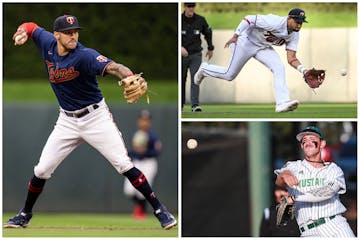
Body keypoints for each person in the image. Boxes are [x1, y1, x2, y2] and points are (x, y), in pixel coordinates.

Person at [5, 14, 176, 230]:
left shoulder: (85, 56)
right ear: (56, 35)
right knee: (42, 169)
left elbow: (115, 67)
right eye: (67, 32)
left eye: (75, 31)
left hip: (95, 118)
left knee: (124, 164)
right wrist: (22, 30)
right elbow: (31, 26)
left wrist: (129, 75)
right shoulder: (47, 42)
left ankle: (161, 210)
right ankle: (24, 214)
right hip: (66, 120)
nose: (73, 35)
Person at [194, 8, 311, 113]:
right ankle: (205, 69)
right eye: (297, 22)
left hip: (263, 47)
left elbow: (291, 58)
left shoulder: (295, 34)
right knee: (229, 75)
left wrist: (304, 70)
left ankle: (282, 103)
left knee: (279, 67)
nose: (299, 25)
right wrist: (236, 35)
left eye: (301, 22)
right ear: (289, 18)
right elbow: (249, 19)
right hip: (245, 41)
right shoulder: (274, 22)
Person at [274, 126, 355, 237]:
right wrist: (284, 175)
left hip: (335, 226)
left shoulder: (333, 169)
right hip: (307, 232)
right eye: (304, 141)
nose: (307, 142)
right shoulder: (294, 166)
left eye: (312, 139)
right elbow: (279, 181)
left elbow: (327, 192)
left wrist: (294, 198)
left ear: (322, 144)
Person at [123, 110, 161, 220]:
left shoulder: (153, 137)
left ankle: (141, 212)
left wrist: (144, 151)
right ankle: (140, 207)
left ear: (150, 122)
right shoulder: (136, 134)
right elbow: (133, 151)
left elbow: (156, 152)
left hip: (148, 162)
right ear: (138, 121)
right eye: (142, 120)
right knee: (129, 191)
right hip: (136, 162)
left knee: (142, 191)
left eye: (146, 120)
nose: (144, 122)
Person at [182, 2, 214, 112]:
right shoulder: (179, 19)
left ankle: (195, 105)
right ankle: (180, 105)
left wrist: (210, 48)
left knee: (196, 78)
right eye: (188, 6)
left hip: (196, 54)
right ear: (184, 7)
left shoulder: (200, 20)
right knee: (182, 80)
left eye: (192, 6)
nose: (191, 9)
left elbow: (208, 32)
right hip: (182, 56)